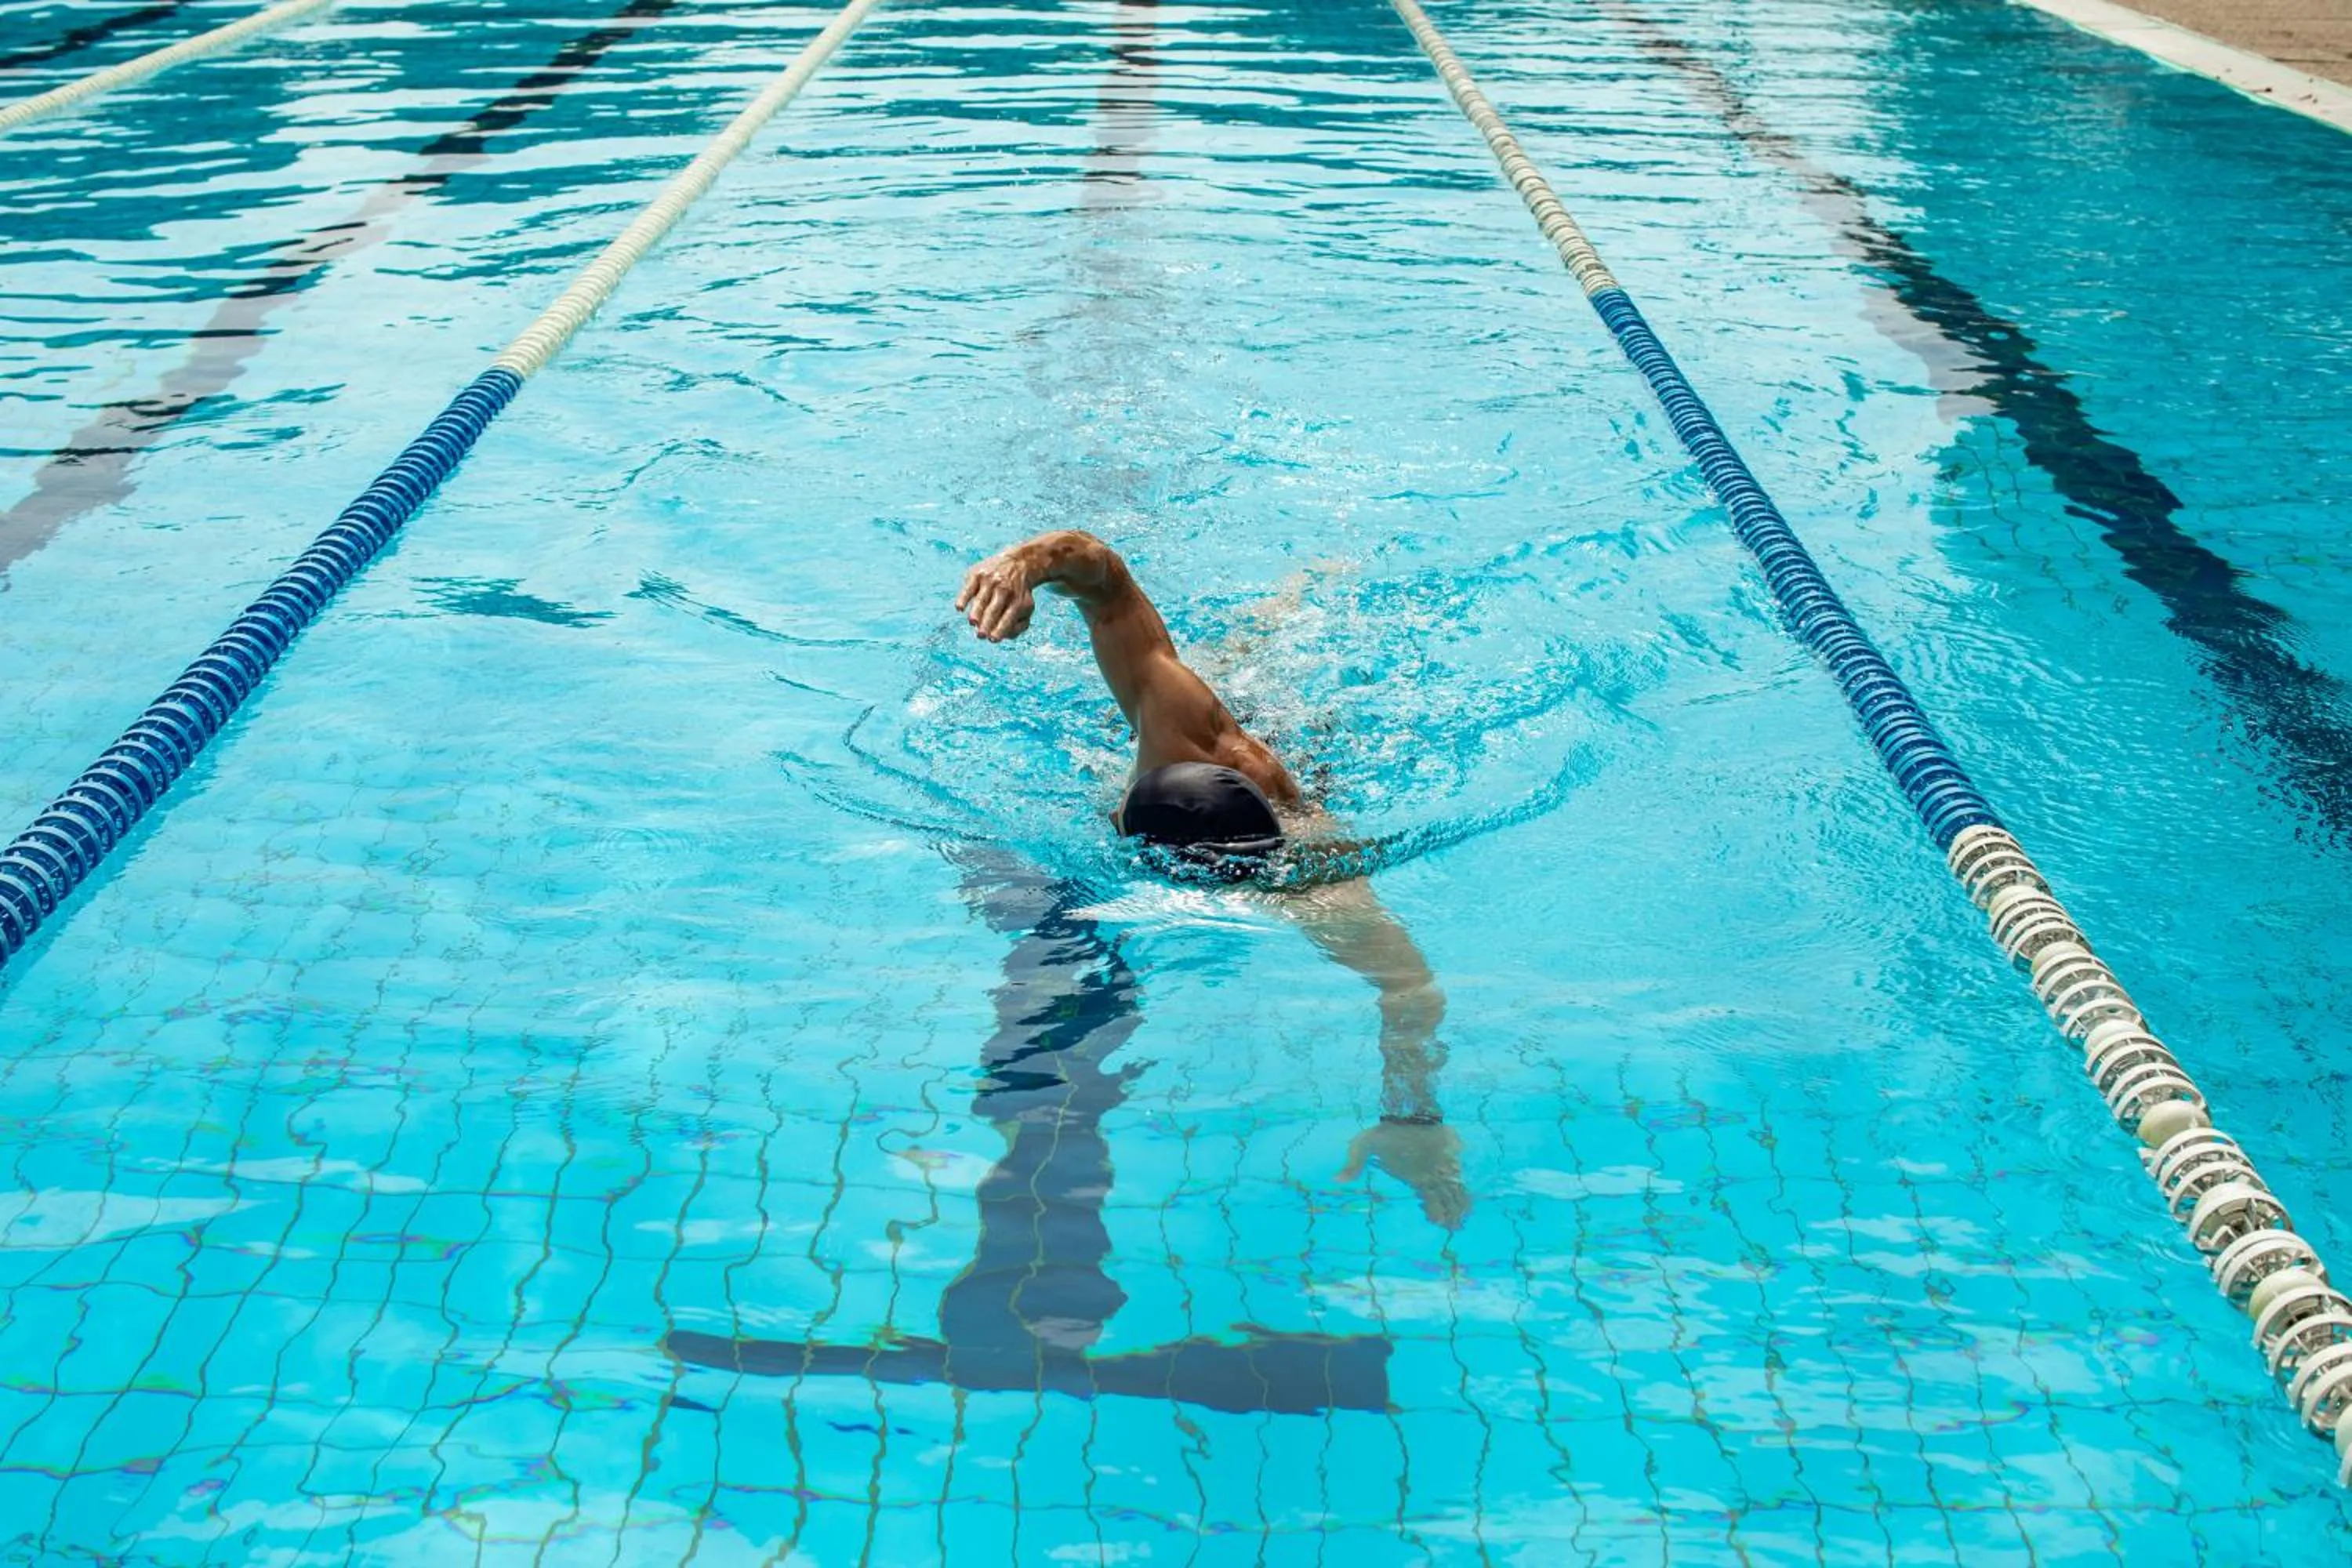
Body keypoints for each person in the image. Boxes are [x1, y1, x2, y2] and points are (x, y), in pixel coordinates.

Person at [956, 530, 1468, 1228]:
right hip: (1214, 739)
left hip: (1297, 785)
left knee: (1292, 719)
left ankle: (1311, 596)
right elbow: (1105, 580)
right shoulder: (1174, 725)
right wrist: (1021, 566)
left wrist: (1413, 1122)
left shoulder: (1315, 889)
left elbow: (1411, 986)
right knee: (1229, 659)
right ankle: (1293, 595)